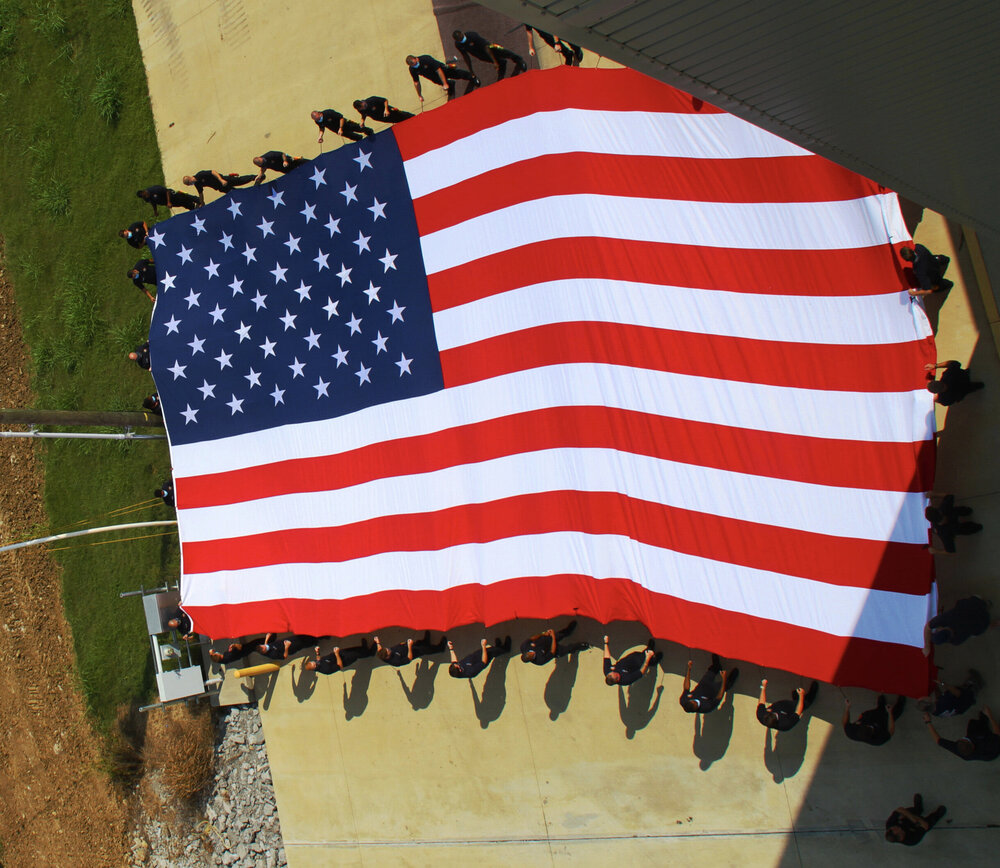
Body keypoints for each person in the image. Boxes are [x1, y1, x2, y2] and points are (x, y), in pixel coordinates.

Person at [923, 706, 1000, 761]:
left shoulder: (960, 750)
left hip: (982, 744)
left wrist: (928, 722)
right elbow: (997, 733)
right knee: (982, 729)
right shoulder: (990, 745)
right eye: (966, 739)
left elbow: (938, 741)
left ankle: (982, 720)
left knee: (972, 723)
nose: (964, 737)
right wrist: (990, 716)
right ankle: (984, 718)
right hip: (992, 751)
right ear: (972, 745)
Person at [453, 30, 526, 81]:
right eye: (460, 40)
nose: (462, 40)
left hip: (489, 48)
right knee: (499, 61)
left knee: (505, 53)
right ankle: (502, 67)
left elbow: (486, 47)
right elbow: (465, 56)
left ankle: (519, 60)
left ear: (462, 33)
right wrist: (471, 70)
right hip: (480, 55)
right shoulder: (458, 45)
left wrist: (494, 62)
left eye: (462, 37)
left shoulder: (472, 36)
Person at [925, 596, 996, 647]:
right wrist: (926, 645)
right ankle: (986, 603)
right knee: (979, 603)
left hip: (984, 621)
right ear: (942, 628)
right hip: (975, 603)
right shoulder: (948, 618)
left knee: (976, 632)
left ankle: (993, 622)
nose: (937, 629)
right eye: (937, 630)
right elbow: (928, 626)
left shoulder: (957, 641)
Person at [406, 54, 478, 103]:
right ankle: (451, 87)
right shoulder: (412, 69)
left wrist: (445, 83)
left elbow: (439, 70)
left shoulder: (426, 59)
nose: (415, 66)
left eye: (415, 63)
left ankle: (472, 77)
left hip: (442, 70)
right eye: (413, 65)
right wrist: (419, 95)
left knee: (457, 74)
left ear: (416, 58)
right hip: (433, 77)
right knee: (443, 83)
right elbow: (416, 82)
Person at [519, 619, 589, 665]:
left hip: (546, 640)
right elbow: (552, 651)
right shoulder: (540, 661)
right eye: (532, 655)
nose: (532, 652)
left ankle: (568, 630)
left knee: (561, 634)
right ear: (531, 659)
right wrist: (553, 637)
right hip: (555, 650)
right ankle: (580, 646)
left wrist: (543, 634)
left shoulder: (524, 646)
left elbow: (532, 638)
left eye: (530, 652)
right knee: (569, 648)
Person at [918, 670, 983, 718]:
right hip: (963, 699)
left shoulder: (934, 711)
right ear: (928, 702)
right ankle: (975, 685)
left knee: (957, 691)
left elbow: (938, 697)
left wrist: (935, 686)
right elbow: (958, 693)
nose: (924, 696)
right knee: (963, 690)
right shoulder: (945, 701)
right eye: (924, 698)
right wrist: (942, 683)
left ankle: (971, 696)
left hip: (958, 707)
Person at [447, 637, 512, 678]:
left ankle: (497, 647)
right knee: (490, 653)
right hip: (482, 659)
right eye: (457, 665)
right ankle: (505, 648)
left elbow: (454, 661)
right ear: (460, 670)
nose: (457, 663)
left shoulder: (456, 669)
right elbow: (483, 662)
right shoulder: (471, 671)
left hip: (475, 657)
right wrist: (483, 646)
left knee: (490, 650)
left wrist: (451, 648)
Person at [374, 630, 447, 666]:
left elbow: (379, 648)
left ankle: (426, 641)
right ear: (387, 657)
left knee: (418, 643)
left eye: (387, 648)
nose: (389, 649)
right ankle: (440, 648)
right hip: (411, 652)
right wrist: (409, 646)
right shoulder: (396, 662)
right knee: (424, 650)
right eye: (388, 651)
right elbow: (409, 659)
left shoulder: (382, 653)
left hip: (405, 646)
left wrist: (377, 642)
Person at [182, 170, 256, 205]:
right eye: (188, 184)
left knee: (239, 181)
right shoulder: (197, 184)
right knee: (235, 193)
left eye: (188, 183)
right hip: (220, 187)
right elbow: (200, 194)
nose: (190, 184)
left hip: (223, 180)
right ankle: (250, 196)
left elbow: (213, 172)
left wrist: (221, 180)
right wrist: (202, 203)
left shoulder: (200, 174)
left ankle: (255, 177)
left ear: (190, 178)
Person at [305, 639, 377, 674]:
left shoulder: (317, 663)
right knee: (356, 654)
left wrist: (317, 653)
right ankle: (371, 652)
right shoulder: (326, 670)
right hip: (345, 660)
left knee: (354, 649)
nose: (316, 662)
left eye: (313, 661)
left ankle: (364, 648)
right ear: (314, 668)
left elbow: (318, 660)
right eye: (314, 664)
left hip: (340, 653)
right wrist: (336, 654)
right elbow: (340, 666)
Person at [254, 633, 326, 661]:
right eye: (264, 647)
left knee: (302, 636)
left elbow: (266, 646)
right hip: (292, 647)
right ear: (264, 651)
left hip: (289, 640)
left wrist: (267, 638)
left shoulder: (264, 648)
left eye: (263, 645)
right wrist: (286, 647)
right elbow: (284, 656)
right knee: (304, 642)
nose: (265, 646)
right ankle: (319, 638)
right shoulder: (272, 654)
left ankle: (313, 636)